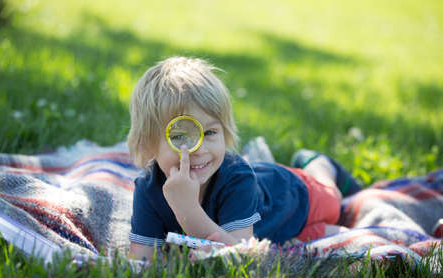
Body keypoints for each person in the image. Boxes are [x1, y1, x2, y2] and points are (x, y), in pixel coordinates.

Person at [127, 57, 361, 262]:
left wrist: (187, 209)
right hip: (274, 231)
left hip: (296, 196)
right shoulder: (147, 188)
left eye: (210, 133)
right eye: (179, 136)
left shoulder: (237, 178)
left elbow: (240, 255)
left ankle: (318, 164)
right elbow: (142, 260)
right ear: (148, 142)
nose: (197, 149)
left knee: (333, 204)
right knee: (301, 241)